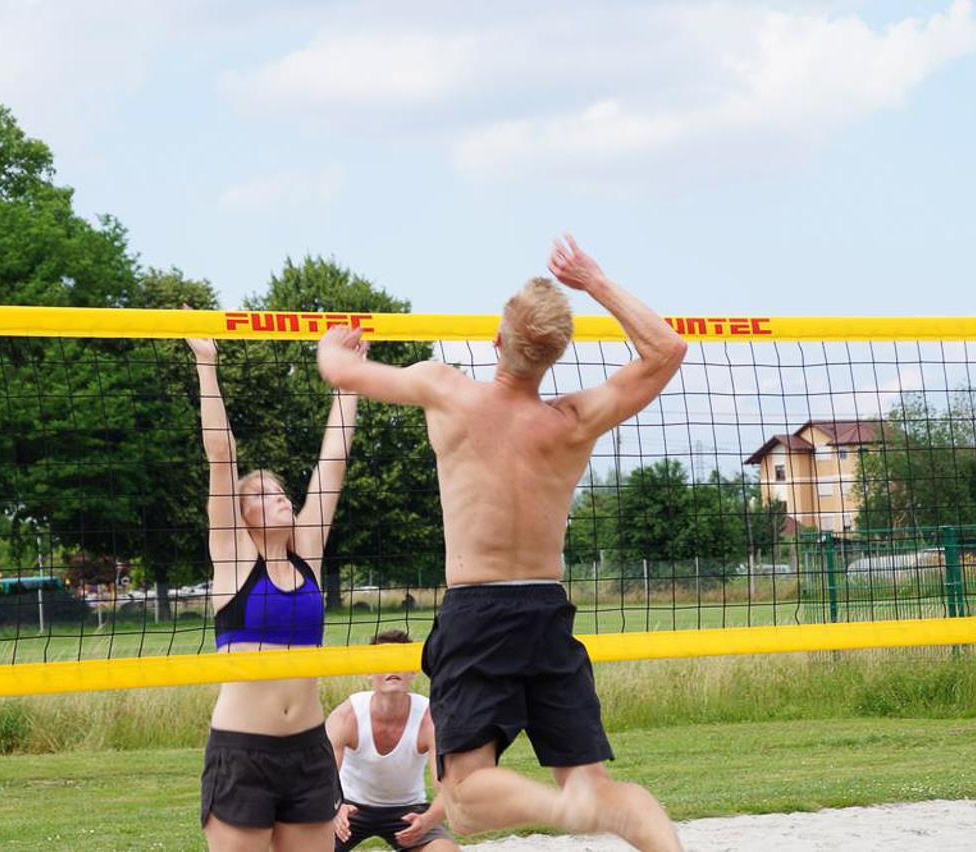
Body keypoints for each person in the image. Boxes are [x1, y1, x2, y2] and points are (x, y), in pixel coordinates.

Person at [316, 235, 688, 852]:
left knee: (463, 801)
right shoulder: (575, 420)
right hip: (546, 608)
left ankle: (565, 808)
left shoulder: (446, 390)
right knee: (597, 788)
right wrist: (593, 280)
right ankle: (592, 805)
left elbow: (340, 372)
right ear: (555, 356)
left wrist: (333, 345)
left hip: (478, 612)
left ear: (496, 341)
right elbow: (667, 349)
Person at [188, 328, 363, 852]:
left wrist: (349, 381)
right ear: (242, 517)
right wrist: (206, 364)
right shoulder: (234, 558)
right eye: (264, 495)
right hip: (243, 753)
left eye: (281, 491)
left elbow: (333, 463)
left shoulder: (305, 554)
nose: (281, 497)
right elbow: (222, 456)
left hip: (308, 752)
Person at [325, 629, 460, 852]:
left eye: (399, 659)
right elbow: (320, 778)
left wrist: (427, 819)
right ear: (368, 672)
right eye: (384, 660)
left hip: (408, 810)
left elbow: (448, 789)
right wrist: (334, 809)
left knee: (445, 851)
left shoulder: (430, 718)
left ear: (413, 670)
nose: (393, 667)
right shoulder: (347, 716)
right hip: (349, 807)